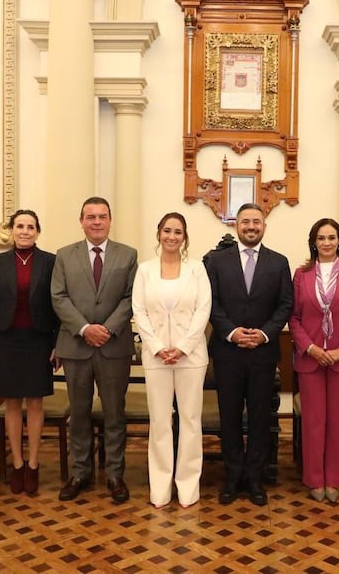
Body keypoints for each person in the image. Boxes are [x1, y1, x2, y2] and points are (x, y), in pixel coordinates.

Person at [205, 203, 293, 506]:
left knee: (259, 417)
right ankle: (233, 477)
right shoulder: (216, 262)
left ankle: (254, 478)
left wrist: (265, 333)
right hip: (228, 352)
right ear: (235, 225)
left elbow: (285, 304)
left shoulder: (279, 262)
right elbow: (211, 303)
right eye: (245, 222)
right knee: (228, 417)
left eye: (257, 221)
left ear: (264, 227)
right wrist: (232, 332)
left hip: (263, 352)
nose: (251, 226)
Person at [52, 196, 137, 504]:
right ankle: (80, 472)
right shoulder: (64, 255)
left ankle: (115, 474)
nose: (97, 221)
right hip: (76, 346)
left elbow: (130, 298)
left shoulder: (128, 255)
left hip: (114, 347)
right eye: (91, 217)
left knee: (115, 414)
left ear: (110, 220)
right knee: (80, 413)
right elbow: (58, 297)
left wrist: (107, 329)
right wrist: (86, 329)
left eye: (102, 216)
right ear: (81, 221)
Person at [132, 212, 211, 508]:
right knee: (160, 421)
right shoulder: (145, 270)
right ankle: (161, 489)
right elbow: (138, 311)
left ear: (184, 237)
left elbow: (203, 310)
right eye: (167, 230)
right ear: (158, 234)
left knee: (190, 421)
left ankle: (188, 488)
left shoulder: (197, 269)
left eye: (178, 232)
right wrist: (156, 346)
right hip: (156, 357)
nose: (172, 236)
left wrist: (183, 347)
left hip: (191, 357)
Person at [289, 218, 339, 503]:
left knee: (337, 421)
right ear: (313, 242)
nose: (326, 243)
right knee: (314, 421)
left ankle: (333, 479)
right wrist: (310, 348)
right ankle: (314, 479)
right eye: (321, 238)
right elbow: (294, 318)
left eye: (332, 237)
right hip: (310, 359)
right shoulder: (302, 274)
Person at [0, 210, 59, 495]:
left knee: (36, 403)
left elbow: (56, 306)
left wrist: (56, 343)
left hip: (39, 340)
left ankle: (33, 463)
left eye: (30, 227)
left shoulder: (50, 261)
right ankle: (17, 464)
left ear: (37, 231)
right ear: (11, 230)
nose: (25, 231)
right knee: (12, 404)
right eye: (20, 226)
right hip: (7, 340)